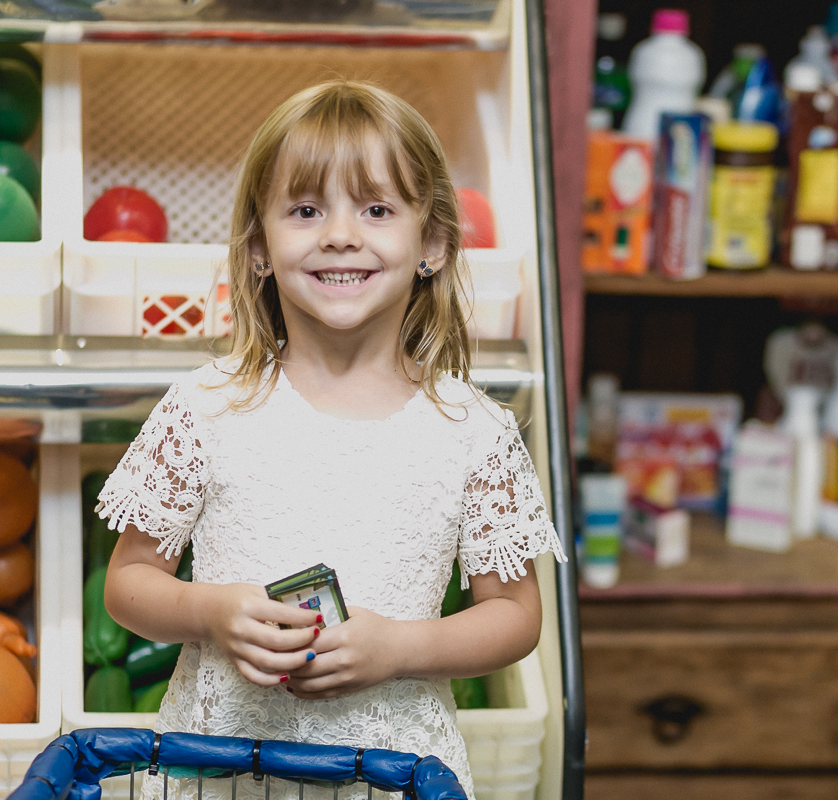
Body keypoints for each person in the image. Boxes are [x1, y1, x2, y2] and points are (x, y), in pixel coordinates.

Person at [98, 80, 566, 800]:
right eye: (306, 210)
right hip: (223, 771)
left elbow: (515, 616)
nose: (340, 234)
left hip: (395, 774)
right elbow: (128, 585)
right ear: (258, 246)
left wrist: (400, 647)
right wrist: (214, 611)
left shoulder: (474, 431)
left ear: (432, 242)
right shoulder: (205, 406)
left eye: (377, 209)